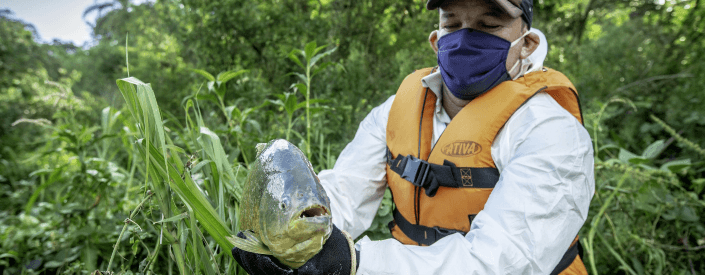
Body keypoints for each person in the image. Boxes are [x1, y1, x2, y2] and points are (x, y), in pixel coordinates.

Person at [232, 0, 595, 274]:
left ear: (527, 43)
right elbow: (344, 191)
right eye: (453, 23)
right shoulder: (395, 111)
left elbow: (503, 260)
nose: (466, 38)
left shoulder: (551, 131)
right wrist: (290, 240)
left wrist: (355, 263)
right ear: (437, 41)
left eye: (489, 24)